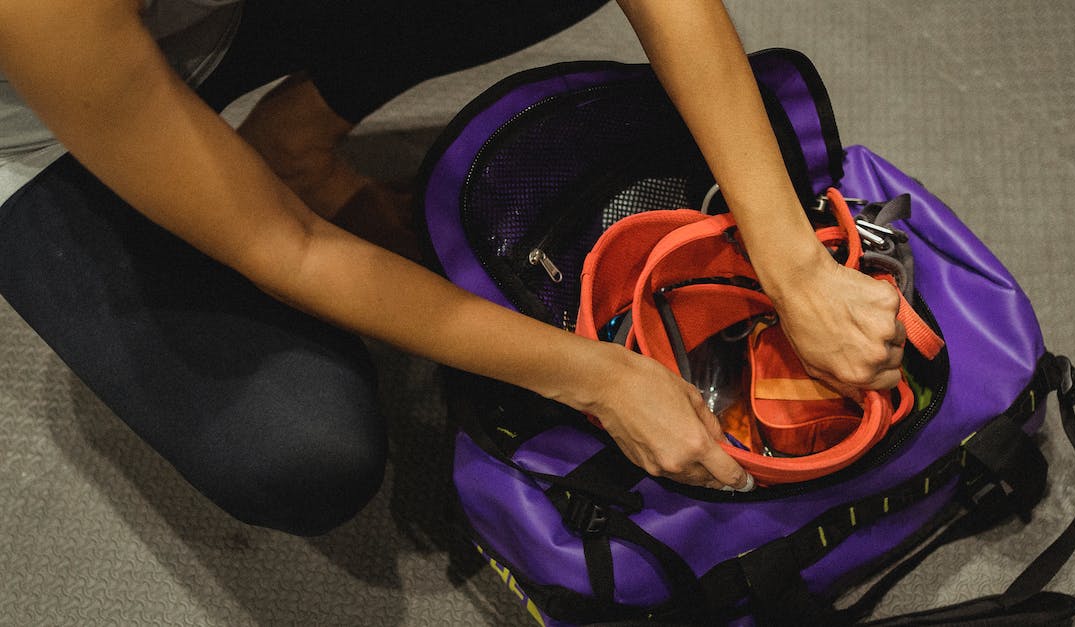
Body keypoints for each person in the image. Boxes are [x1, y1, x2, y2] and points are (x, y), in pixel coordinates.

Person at [0, 0, 905, 536]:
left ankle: (295, 138)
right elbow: (286, 245)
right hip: (42, 123)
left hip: (204, 21)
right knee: (300, 451)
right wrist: (596, 377)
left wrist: (792, 260)